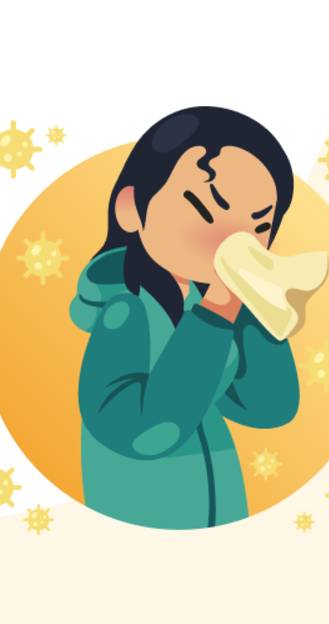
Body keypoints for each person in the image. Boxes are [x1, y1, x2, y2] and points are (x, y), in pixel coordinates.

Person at [69, 106, 301, 530]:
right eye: (204, 209)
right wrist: (214, 318)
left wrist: (259, 312)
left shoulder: (202, 305)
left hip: (222, 513)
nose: (230, 240)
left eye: (258, 227)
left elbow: (269, 407)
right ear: (131, 209)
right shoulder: (125, 313)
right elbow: (142, 431)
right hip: (141, 518)